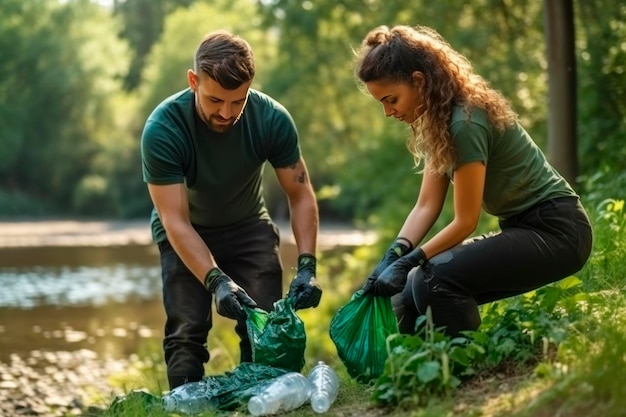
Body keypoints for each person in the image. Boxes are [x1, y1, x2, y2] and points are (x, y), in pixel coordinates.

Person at [354, 25, 593, 337]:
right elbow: (426, 205)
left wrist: (412, 260)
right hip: (523, 227)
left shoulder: (464, 121)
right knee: (408, 293)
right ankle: (415, 371)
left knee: (431, 280)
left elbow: (466, 221)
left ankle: (466, 365)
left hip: (558, 231)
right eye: (382, 103)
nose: (388, 112)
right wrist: (393, 256)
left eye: (392, 99)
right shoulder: (437, 123)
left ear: (418, 81)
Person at [141, 30, 321, 389]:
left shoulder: (272, 119)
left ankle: (264, 402)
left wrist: (307, 266)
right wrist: (216, 280)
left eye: (237, 101)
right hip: (185, 229)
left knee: (267, 326)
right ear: (194, 81)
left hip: (248, 226)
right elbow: (174, 219)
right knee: (187, 330)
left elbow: (301, 196)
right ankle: (185, 409)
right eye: (215, 100)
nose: (226, 113)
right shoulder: (163, 128)